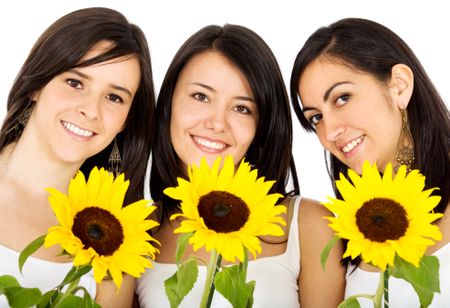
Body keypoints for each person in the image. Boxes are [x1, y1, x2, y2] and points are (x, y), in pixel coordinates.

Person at [136, 24, 345, 307]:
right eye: (201, 96)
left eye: (242, 108)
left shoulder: (308, 226)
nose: (217, 123)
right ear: (169, 101)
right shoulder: (136, 231)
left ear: (262, 126)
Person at [0, 7, 155, 307]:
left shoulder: (117, 242)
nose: (91, 110)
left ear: (125, 120)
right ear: (36, 84)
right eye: (75, 83)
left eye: (114, 97)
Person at [290, 17, 450, 307]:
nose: (330, 131)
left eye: (342, 98)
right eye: (316, 117)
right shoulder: (344, 232)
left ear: (399, 86)